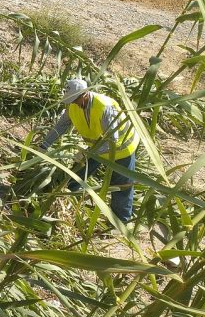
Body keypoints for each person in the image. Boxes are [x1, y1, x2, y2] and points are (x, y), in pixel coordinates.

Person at [40, 78, 140, 222]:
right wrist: (44, 145)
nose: (74, 103)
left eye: (75, 100)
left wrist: (86, 153)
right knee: (76, 174)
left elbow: (112, 141)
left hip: (122, 148)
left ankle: (121, 221)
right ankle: (65, 201)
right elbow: (61, 126)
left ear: (85, 94)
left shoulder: (104, 107)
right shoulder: (73, 105)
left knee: (121, 185)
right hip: (97, 147)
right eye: (71, 100)